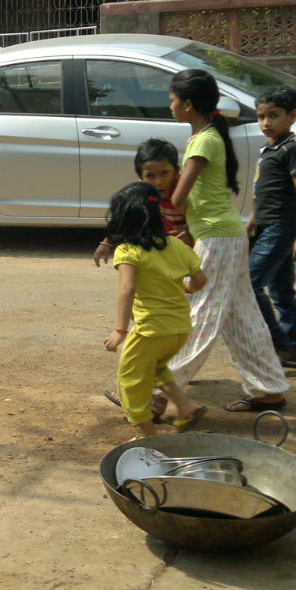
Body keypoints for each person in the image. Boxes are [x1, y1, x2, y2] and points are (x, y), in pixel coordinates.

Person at [164, 69, 291, 413]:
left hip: (218, 238)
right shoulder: (205, 136)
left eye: (174, 99)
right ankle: (269, 389)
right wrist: (190, 228)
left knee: (198, 315)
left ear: (188, 105)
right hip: (223, 235)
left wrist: (151, 220)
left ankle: (157, 392)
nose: (170, 105)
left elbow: (179, 197)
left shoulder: (204, 140)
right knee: (241, 318)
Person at [103, 182, 209, 440]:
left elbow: (127, 289)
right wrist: (185, 286)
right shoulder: (176, 245)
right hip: (180, 328)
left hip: (151, 330)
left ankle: (149, 437)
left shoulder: (128, 251)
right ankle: (186, 406)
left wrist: (120, 330)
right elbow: (200, 281)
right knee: (155, 368)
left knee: (130, 380)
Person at [248, 86, 296, 370]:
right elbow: (264, 191)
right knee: (282, 290)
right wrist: (254, 219)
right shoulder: (269, 149)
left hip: (282, 228)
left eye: (274, 116)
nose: (266, 123)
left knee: (250, 284)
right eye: (262, 116)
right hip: (268, 226)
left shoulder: (291, 150)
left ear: (293, 116)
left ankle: (282, 346)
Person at [93, 138, 190, 266]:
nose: (159, 181)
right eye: (150, 176)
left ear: (176, 172)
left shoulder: (187, 189)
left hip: (188, 252)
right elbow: (124, 218)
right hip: (158, 253)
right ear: (140, 178)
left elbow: (210, 215)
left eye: (164, 173)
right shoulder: (141, 193)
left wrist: (191, 231)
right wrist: (107, 242)